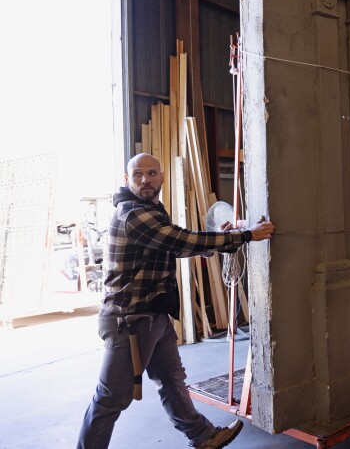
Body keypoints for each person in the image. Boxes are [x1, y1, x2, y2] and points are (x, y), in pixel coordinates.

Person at [78, 154, 275, 449]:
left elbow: (172, 247)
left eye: (152, 173)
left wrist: (221, 238)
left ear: (162, 177)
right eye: (138, 174)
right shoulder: (133, 213)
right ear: (126, 180)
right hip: (129, 320)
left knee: (172, 381)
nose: (145, 179)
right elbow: (181, 240)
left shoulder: (152, 209)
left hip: (154, 315)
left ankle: (203, 436)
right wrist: (245, 236)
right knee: (109, 400)